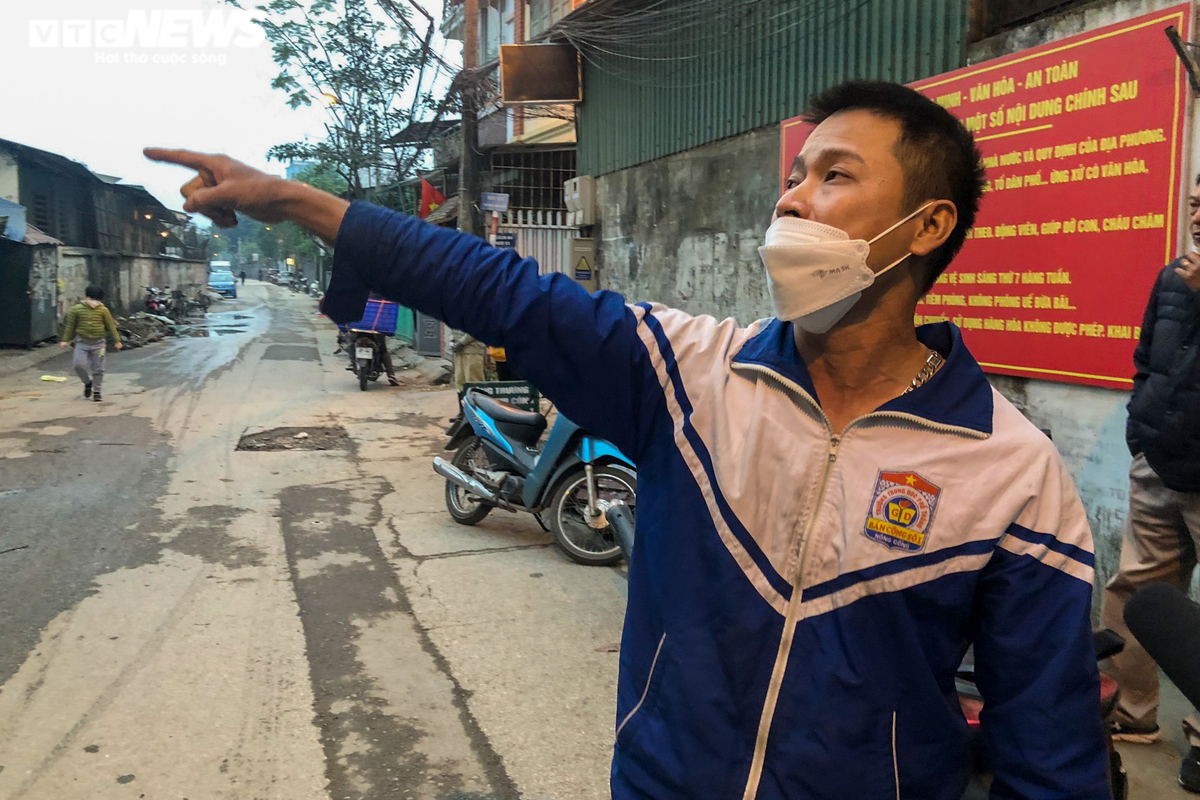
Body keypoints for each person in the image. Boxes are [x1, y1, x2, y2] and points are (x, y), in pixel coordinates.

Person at [146, 80, 1109, 799]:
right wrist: (301, 203)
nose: (791, 200)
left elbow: (1048, 752)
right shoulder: (689, 372)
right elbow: (501, 290)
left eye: (835, 176)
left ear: (927, 225)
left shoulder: (1010, 472)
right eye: (792, 178)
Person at [1099, 174, 1200, 790]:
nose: (1199, 218)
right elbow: (1147, 360)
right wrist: (1141, 428)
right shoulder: (1172, 279)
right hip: (1159, 461)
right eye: (1195, 204)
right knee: (1137, 588)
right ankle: (1128, 709)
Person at [60, 285, 123, 402]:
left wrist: (117, 340)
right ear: (86, 297)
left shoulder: (103, 310)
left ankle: (97, 391)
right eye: (92, 298)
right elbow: (70, 326)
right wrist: (65, 340)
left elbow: (110, 326)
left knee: (98, 368)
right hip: (81, 343)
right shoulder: (77, 309)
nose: (93, 302)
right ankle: (87, 383)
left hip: (99, 344)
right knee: (78, 365)